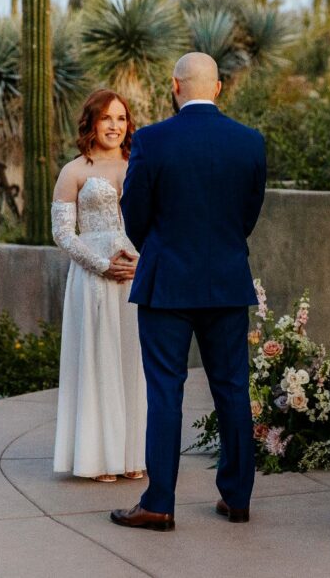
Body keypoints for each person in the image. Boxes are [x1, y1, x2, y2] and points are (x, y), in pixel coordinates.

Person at [111, 52, 267, 532]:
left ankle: (159, 503)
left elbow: (134, 212)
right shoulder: (249, 142)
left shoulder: (153, 140)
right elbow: (248, 214)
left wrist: (157, 249)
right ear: (217, 89)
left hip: (166, 285)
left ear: (175, 86)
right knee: (233, 391)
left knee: (165, 394)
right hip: (225, 281)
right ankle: (237, 498)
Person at [52, 89, 146, 483]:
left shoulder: (141, 164)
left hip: (134, 277)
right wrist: (102, 266)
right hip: (93, 279)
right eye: (107, 118)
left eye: (121, 118)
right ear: (91, 121)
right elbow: (62, 233)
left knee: (132, 362)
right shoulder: (74, 171)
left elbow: (158, 222)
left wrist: (141, 262)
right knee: (97, 362)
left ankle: (131, 455)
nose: (115, 126)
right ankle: (97, 458)